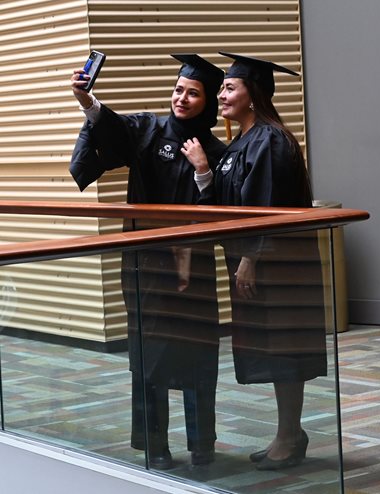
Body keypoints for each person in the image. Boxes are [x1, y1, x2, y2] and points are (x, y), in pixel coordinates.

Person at [69, 54, 226, 469]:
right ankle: (156, 445)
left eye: (193, 93)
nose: (182, 98)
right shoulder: (147, 129)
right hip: (145, 265)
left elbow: (223, 211)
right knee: (148, 355)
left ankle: (202, 445)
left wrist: (204, 172)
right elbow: (112, 130)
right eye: (178, 90)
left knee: (197, 353)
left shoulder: (215, 150)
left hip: (195, 270)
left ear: (207, 102)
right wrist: (87, 100)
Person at [184, 52, 327, 471]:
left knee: (285, 348)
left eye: (230, 87)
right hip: (258, 263)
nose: (221, 94)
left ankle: (289, 435)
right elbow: (231, 205)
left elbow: (268, 206)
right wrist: (204, 172)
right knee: (273, 346)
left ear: (254, 94)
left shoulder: (269, 139)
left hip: (277, 266)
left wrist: (250, 258)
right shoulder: (244, 141)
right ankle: (288, 433)